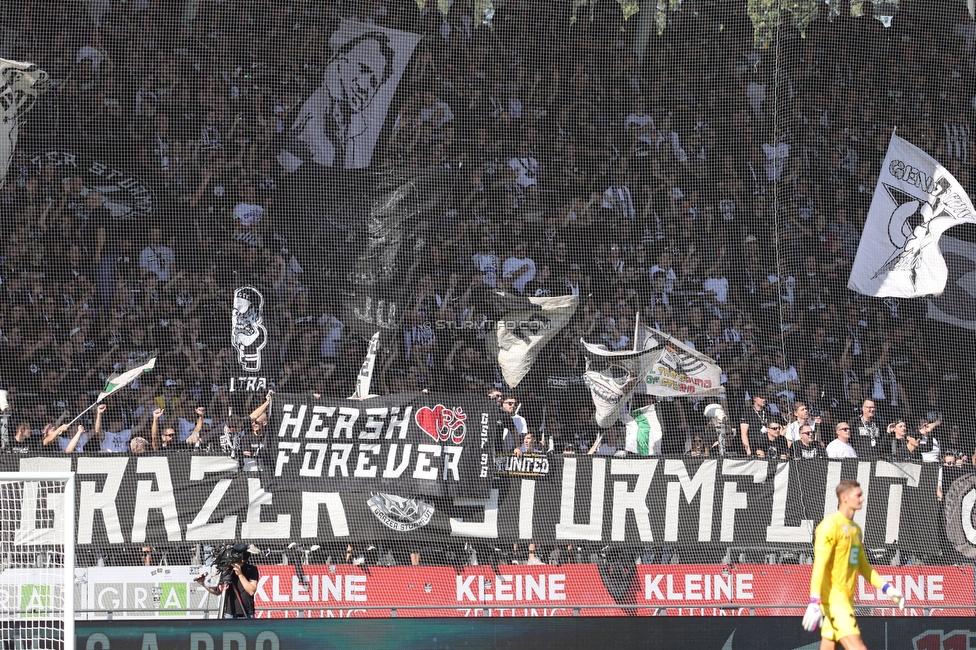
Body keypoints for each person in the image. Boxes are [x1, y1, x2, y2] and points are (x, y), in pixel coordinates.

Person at [803, 480, 904, 648]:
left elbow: (863, 566)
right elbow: (819, 565)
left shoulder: (856, 530)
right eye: (858, 495)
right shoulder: (829, 526)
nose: (862, 499)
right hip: (836, 605)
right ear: (844, 498)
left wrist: (887, 588)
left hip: (845, 602)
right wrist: (814, 601)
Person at [278, 31, 396, 171]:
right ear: (340, 61)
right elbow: (288, 169)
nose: (365, 86)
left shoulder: (357, 132)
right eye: (362, 69)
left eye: (373, 83)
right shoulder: (310, 118)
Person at [194, 543, 259, 619]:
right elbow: (217, 592)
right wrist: (202, 582)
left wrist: (240, 574)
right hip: (229, 613)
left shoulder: (251, 569)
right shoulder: (226, 569)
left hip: (246, 613)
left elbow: (251, 591)